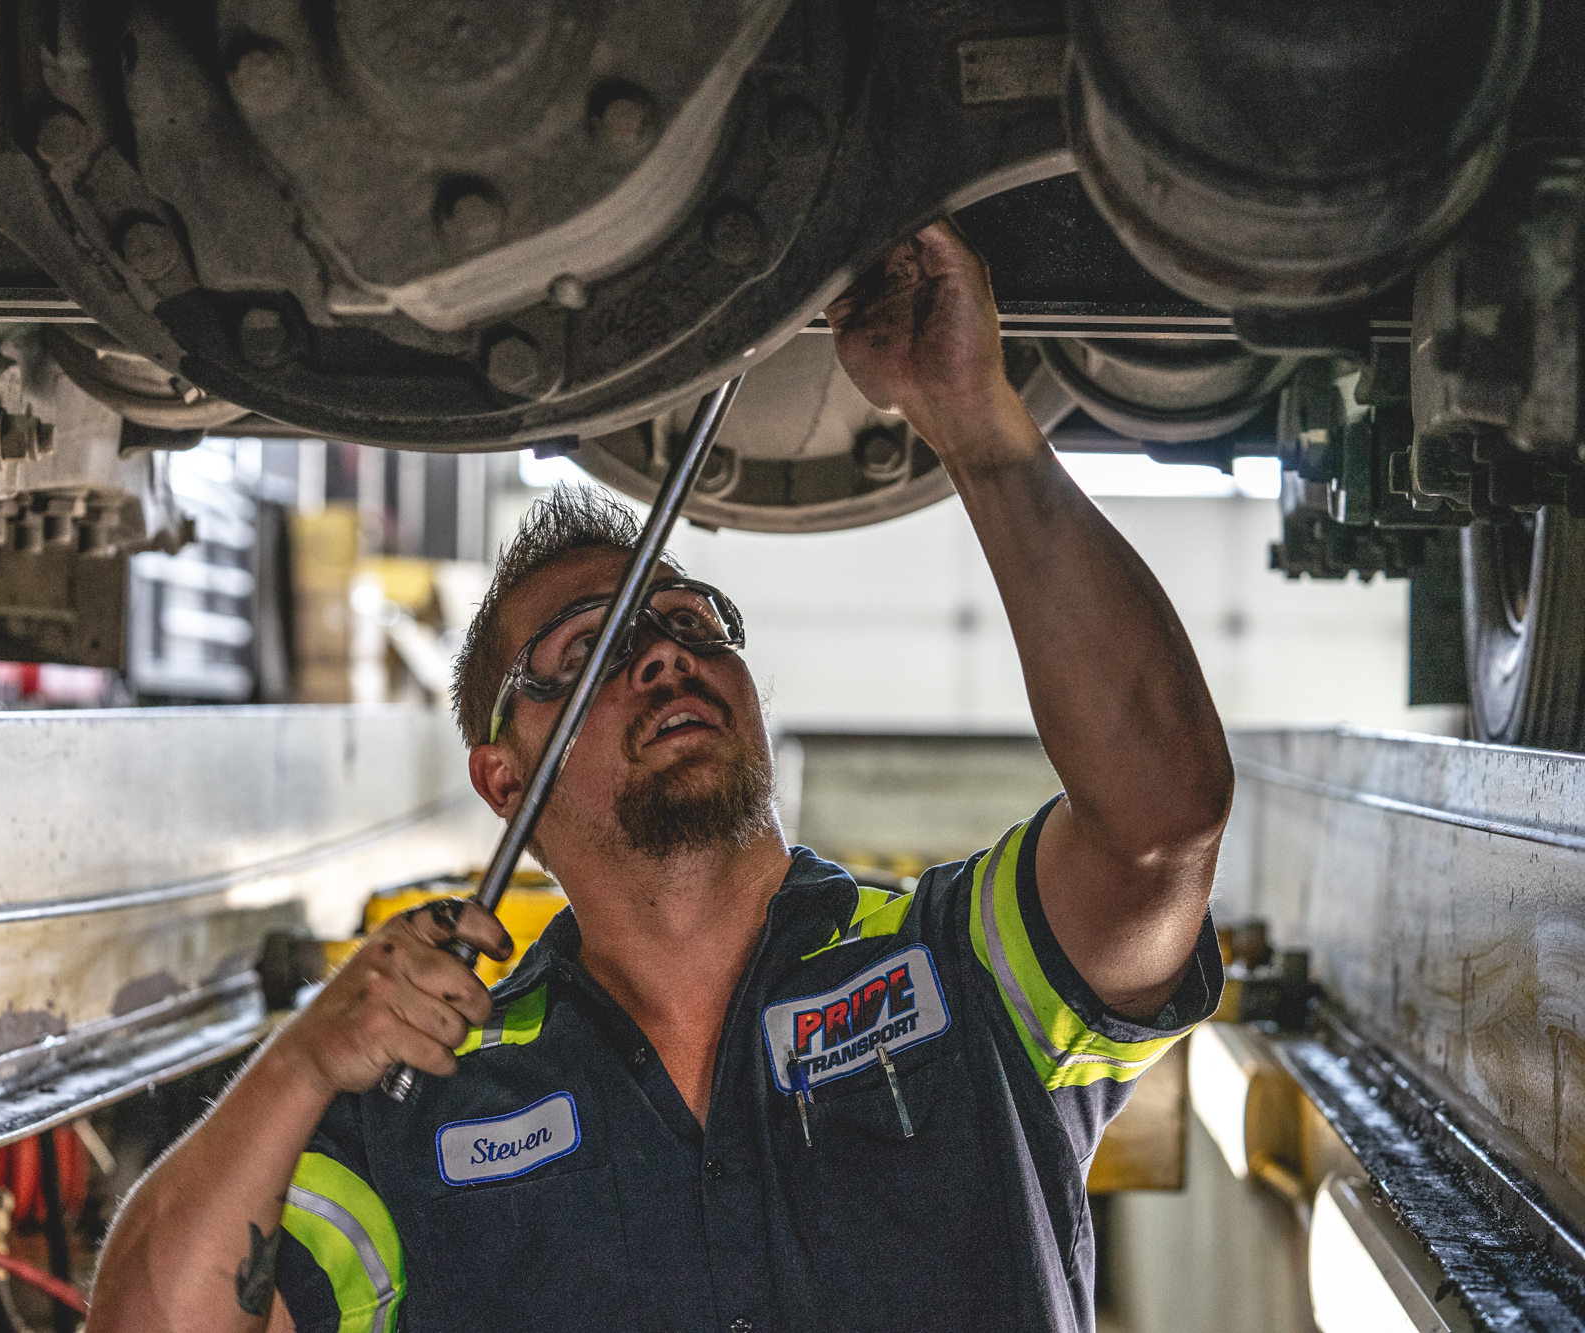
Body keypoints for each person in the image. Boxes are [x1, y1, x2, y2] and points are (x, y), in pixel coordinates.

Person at [88, 219, 1232, 1333]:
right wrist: (300, 1064)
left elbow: (1157, 823)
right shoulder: (421, 1111)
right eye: (589, 652)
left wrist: (976, 426)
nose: (664, 652)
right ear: (502, 775)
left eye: (686, 620)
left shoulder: (960, 965)